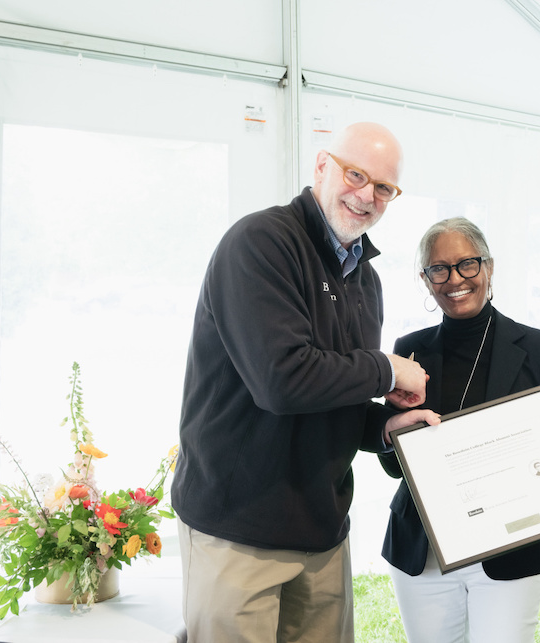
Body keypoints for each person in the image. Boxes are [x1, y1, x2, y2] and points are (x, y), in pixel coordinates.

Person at [171, 122, 439, 643]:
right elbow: (282, 380)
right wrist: (388, 368)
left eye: (384, 187)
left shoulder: (367, 280)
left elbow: (330, 393)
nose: (367, 195)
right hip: (237, 530)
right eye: (355, 174)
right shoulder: (260, 244)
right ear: (322, 166)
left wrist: (385, 426)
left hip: (321, 535)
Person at [379, 217, 540, 643]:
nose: (454, 279)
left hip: (510, 549)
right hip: (422, 551)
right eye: (438, 269)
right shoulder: (409, 349)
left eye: (466, 264)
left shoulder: (539, 348)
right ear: (426, 280)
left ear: (489, 267)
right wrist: (392, 436)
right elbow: (394, 466)